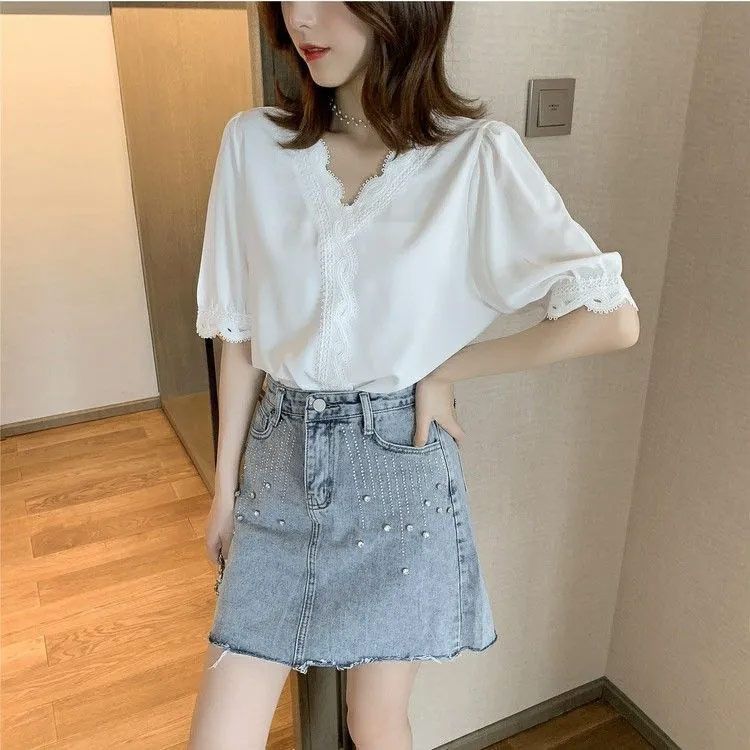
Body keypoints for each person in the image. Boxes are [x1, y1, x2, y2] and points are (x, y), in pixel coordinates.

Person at [187, 2, 640, 748]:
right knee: (220, 734)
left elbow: (609, 318)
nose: (302, 17)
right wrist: (223, 490)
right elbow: (236, 331)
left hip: (399, 464)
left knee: (376, 721)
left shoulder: (475, 157)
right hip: (279, 459)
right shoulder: (253, 144)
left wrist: (446, 364)